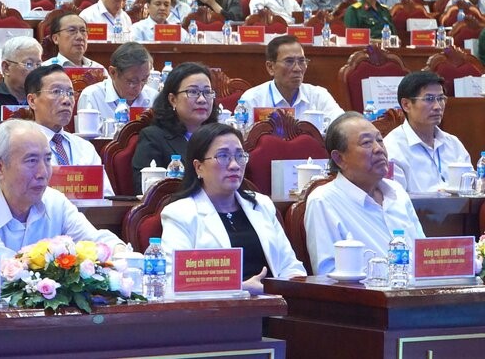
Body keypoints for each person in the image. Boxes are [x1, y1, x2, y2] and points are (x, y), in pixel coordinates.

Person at [161, 123, 306, 294]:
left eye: (240, 156)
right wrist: (241, 288)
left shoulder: (261, 205)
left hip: (274, 307)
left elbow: (291, 266)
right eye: (223, 156)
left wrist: (280, 293)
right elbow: (173, 282)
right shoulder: (180, 214)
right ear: (198, 167)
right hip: (220, 315)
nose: (235, 165)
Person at [0, 119, 125, 257]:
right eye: (31, 161)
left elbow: (96, 242)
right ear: (0, 167)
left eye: (47, 159)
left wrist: (118, 252)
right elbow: (4, 273)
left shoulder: (55, 201)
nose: (43, 172)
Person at [305, 111, 426, 275]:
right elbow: (327, 274)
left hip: (418, 293)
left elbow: (423, 255)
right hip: (371, 297)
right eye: (367, 143)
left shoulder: (397, 192)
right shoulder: (323, 201)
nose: (379, 149)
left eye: (380, 140)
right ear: (339, 158)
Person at [25, 65, 115, 196]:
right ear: (32, 101)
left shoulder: (85, 147)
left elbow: (106, 197)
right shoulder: (21, 146)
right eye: (56, 92)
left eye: (70, 93)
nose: (66, 100)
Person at [131, 62, 218, 194]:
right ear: (173, 99)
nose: (202, 99)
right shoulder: (153, 137)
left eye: (207, 92)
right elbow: (148, 191)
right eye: (193, 92)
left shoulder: (220, 137)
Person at [383, 72, 471, 193]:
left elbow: (471, 188)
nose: (437, 106)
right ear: (406, 105)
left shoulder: (453, 144)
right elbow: (396, 201)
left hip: (463, 211)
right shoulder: (392, 149)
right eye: (429, 99)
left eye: (441, 99)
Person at [237, 35, 344, 123]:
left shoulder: (318, 96)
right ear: (270, 67)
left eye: (302, 61)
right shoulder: (253, 100)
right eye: (289, 61)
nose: (297, 68)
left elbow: (342, 126)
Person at [77, 41, 158, 120]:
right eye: (132, 81)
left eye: (144, 79)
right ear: (113, 73)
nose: (139, 87)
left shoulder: (154, 97)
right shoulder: (92, 96)